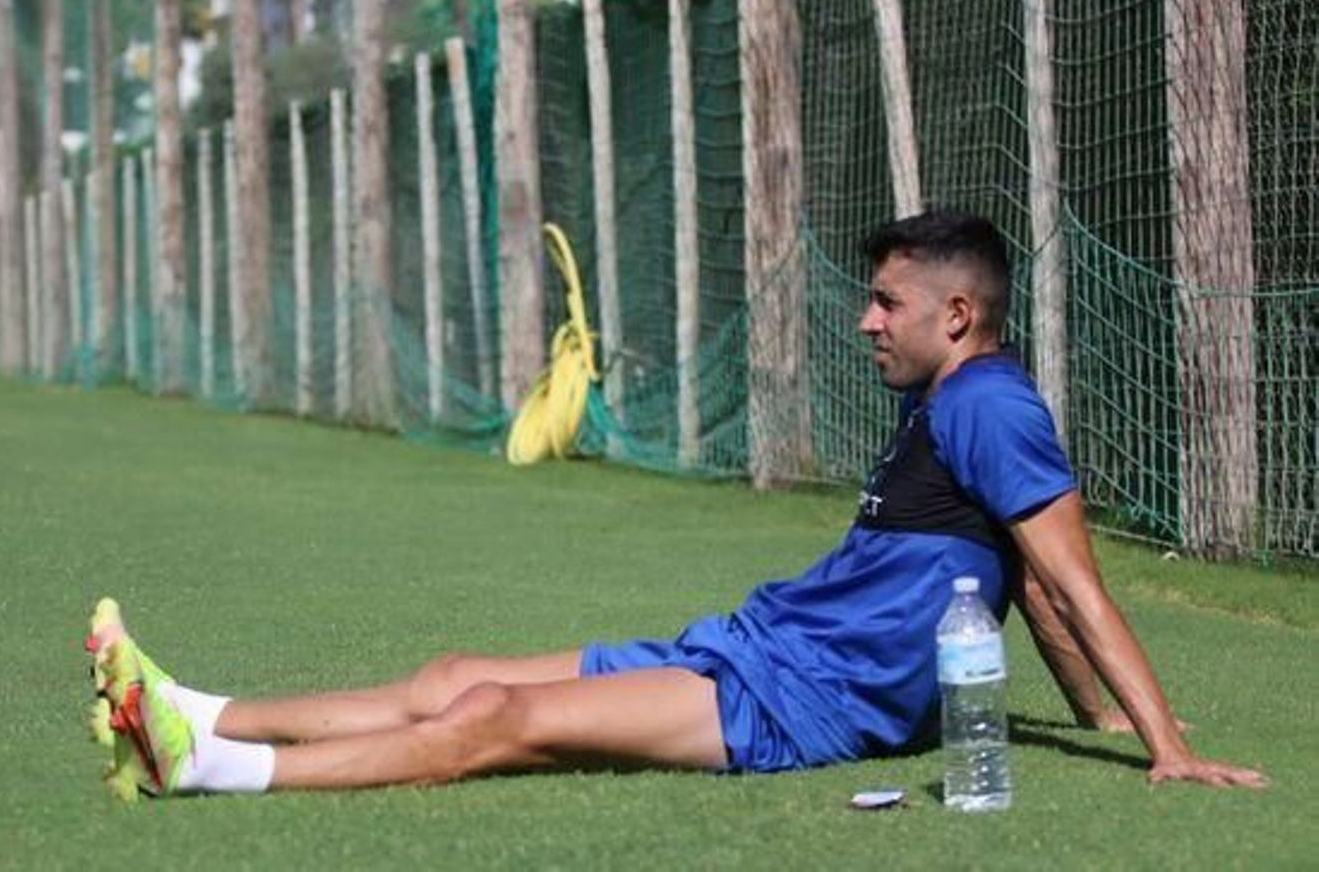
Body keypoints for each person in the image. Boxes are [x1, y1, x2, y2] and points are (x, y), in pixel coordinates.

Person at [85, 210, 1268, 800]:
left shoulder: (989, 407)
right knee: (456, 672)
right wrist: (1089, 719)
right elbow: (1026, 584)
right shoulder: (943, 402)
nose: (866, 320)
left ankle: (203, 768)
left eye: (885, 303)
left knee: (498, 713)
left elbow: (1069, 580)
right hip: (767, 645)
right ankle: (190, 706)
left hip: (807, 699)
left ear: (956, 317)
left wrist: (1164, 749)